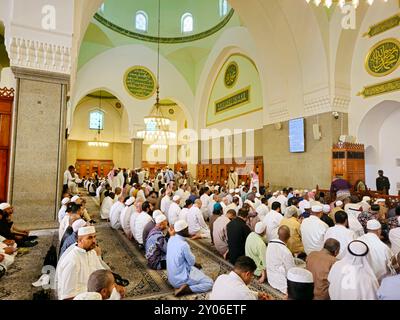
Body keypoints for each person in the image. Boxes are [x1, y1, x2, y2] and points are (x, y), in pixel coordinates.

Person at [56, 226, 124, 300]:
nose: (94, 241)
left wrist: (114, 286)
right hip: (81, 297)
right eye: (90, 238)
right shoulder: (72, 261)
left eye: (95, 237)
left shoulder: (91, 252)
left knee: (117, 293)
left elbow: (102, 273)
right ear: (80, 240)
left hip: (94, 292)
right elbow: (66, 297)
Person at [166, 220, 213, 296]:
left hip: (171, 279)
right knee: (209, 283)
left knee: (199, 269)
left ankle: (189, 283)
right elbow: (191, 262)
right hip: (180, 280)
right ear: (182, 230)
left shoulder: (171, 239)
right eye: (187, 229)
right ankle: (186, 289)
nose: (188, 231)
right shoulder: (184, 245)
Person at [265, 225, 295, 294]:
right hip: (281, 284)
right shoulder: (286, 252)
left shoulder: (269, 244)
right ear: (289, 237)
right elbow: (291, 271)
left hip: (270, 278)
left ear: (278, 234)